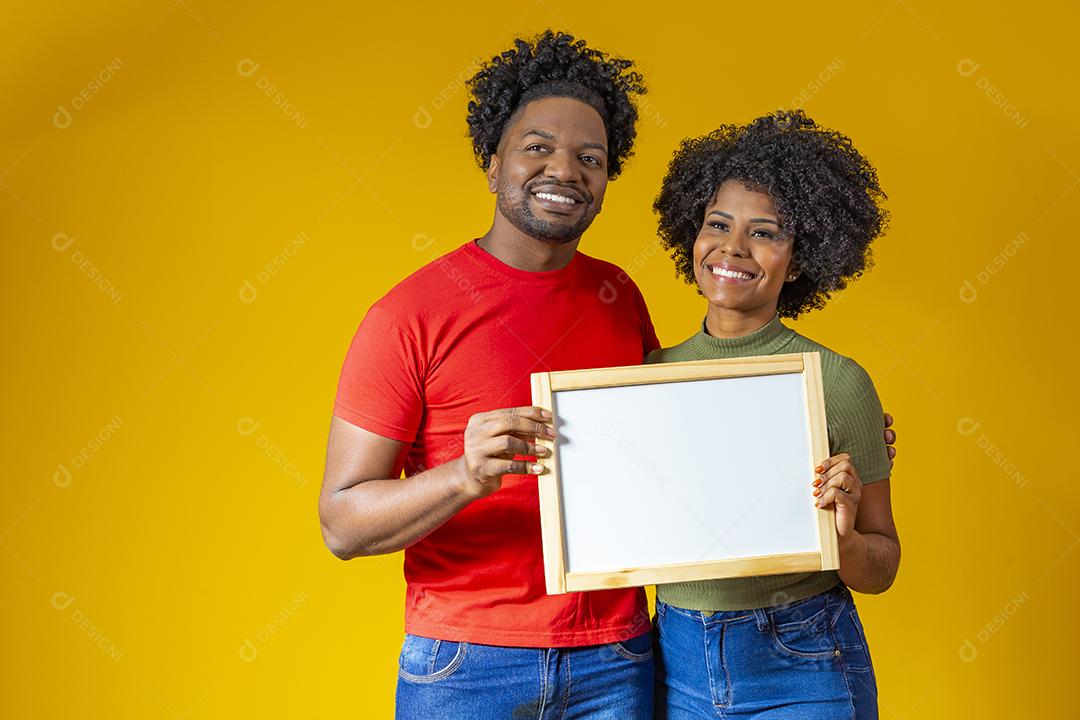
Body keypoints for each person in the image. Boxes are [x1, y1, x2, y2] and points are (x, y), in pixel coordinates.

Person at [320, 31, 660, 719]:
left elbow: (668, 449)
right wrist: (464, 476)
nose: (564, 170)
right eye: (538, 147)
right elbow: (342, 524)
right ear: (493, 163)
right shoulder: (407, 315)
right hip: (466, 665)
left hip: (616, 657)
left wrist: (810, 430)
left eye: (589, 158)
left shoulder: (619, 295)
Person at [647, 110, 901, 719]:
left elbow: (882, 566)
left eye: (764, 233)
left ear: (801, 257)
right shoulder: (651, 374)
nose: (733, 247)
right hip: (674, 656)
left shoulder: (837, 380)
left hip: (803, 656)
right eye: (717, 224)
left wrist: (842, 538)